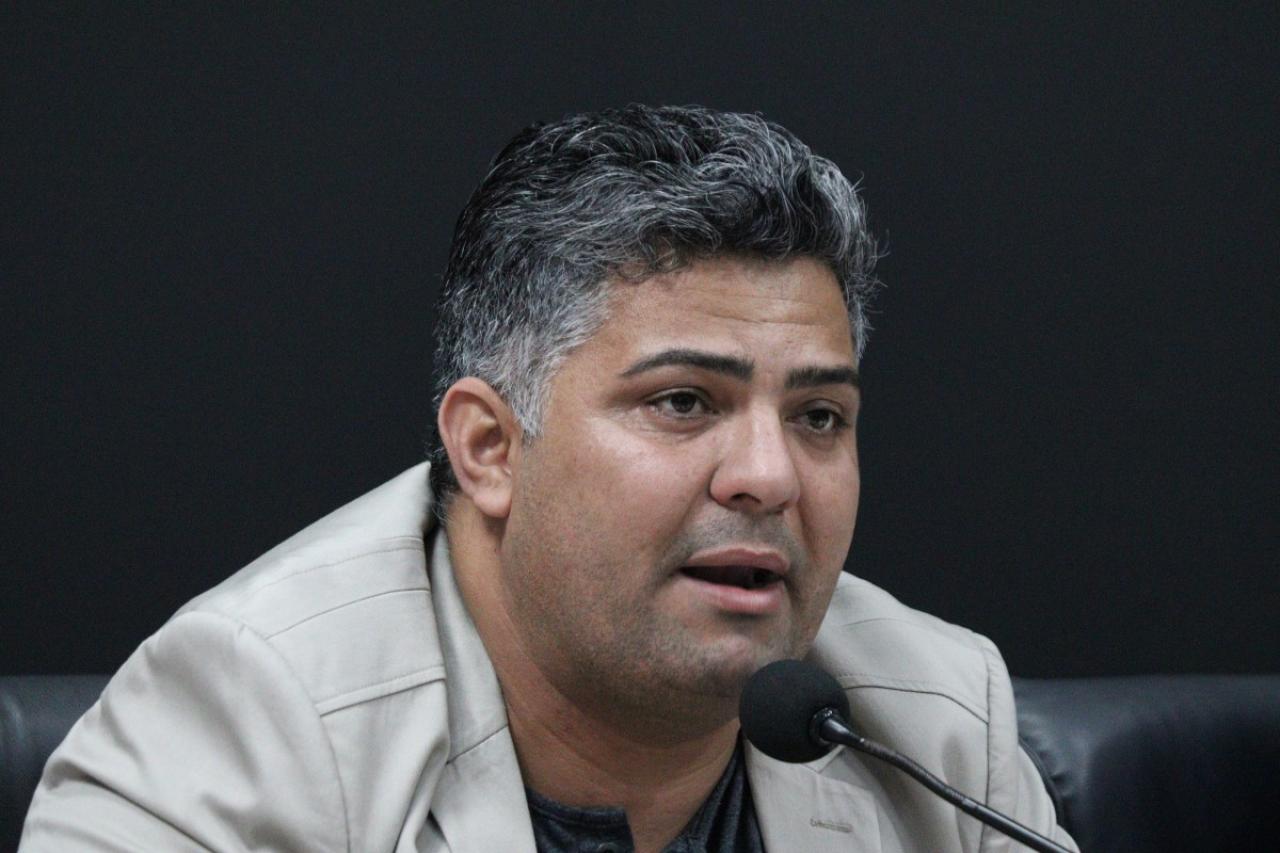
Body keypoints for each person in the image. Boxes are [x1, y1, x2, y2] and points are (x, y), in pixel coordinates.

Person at [21, 105, 1076, 852]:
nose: (769, 476)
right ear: (488, 447)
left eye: (817, 417)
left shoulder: (935, 720)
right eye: (683, 402)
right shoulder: (246, 722)